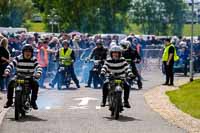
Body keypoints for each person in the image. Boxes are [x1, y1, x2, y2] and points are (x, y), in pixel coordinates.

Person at [4, 44, 42, 109]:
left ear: (32, 52)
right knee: (10, 83)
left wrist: (38, 73)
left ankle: (33, 102)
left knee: (36, 84)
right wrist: (7, 71)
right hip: (19, 77)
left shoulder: (34, 59)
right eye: (26, 51)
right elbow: (11, 65)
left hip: (29, 78)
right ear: (23, 52)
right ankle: (9, 101)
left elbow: (39, 67)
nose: (28, 53)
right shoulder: (18, 58)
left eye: (29, 51)